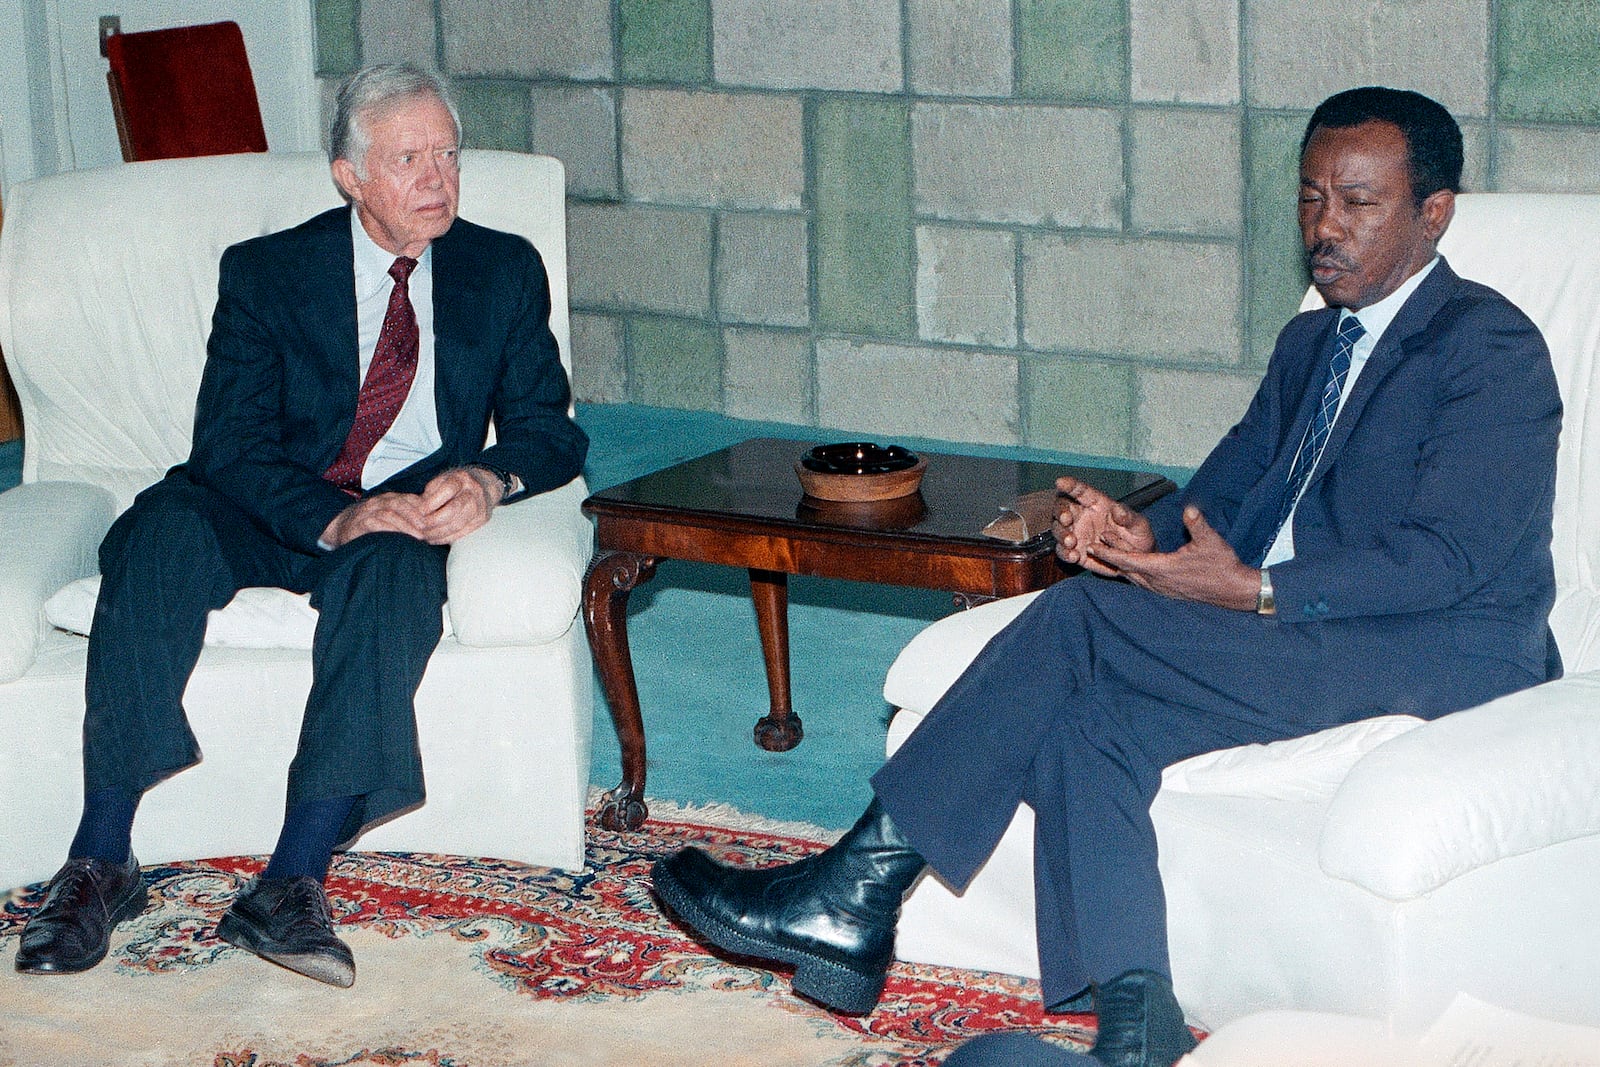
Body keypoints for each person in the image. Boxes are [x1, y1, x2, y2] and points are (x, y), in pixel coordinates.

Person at [651, 86, 1562, 1067]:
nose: (1323, 227)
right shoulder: (1312, 341)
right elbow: (1220, 495)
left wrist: (1256, 592)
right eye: (1308, 198)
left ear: (1433, 211)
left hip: (1437, 647)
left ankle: (855, 889)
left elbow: (1449, 556)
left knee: (1082, 622)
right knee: (1094, 721)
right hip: (1303, 632)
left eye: (1356, 202)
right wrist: (1142, 534)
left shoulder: (1488, 345)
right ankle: (1138, 1026)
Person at [14, 64, 587, 988]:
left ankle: (290, 880)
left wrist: (489, 474)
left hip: (397, 504)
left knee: (398, 565)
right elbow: (228, 446)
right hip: (261, 498)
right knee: (159, 537)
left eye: (446, 154)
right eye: (408, 160)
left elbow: (550, 427)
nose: (437, 179)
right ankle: (100, 857)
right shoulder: (266, 271)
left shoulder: (501, 267)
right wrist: (334, 514)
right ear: (349, 175)